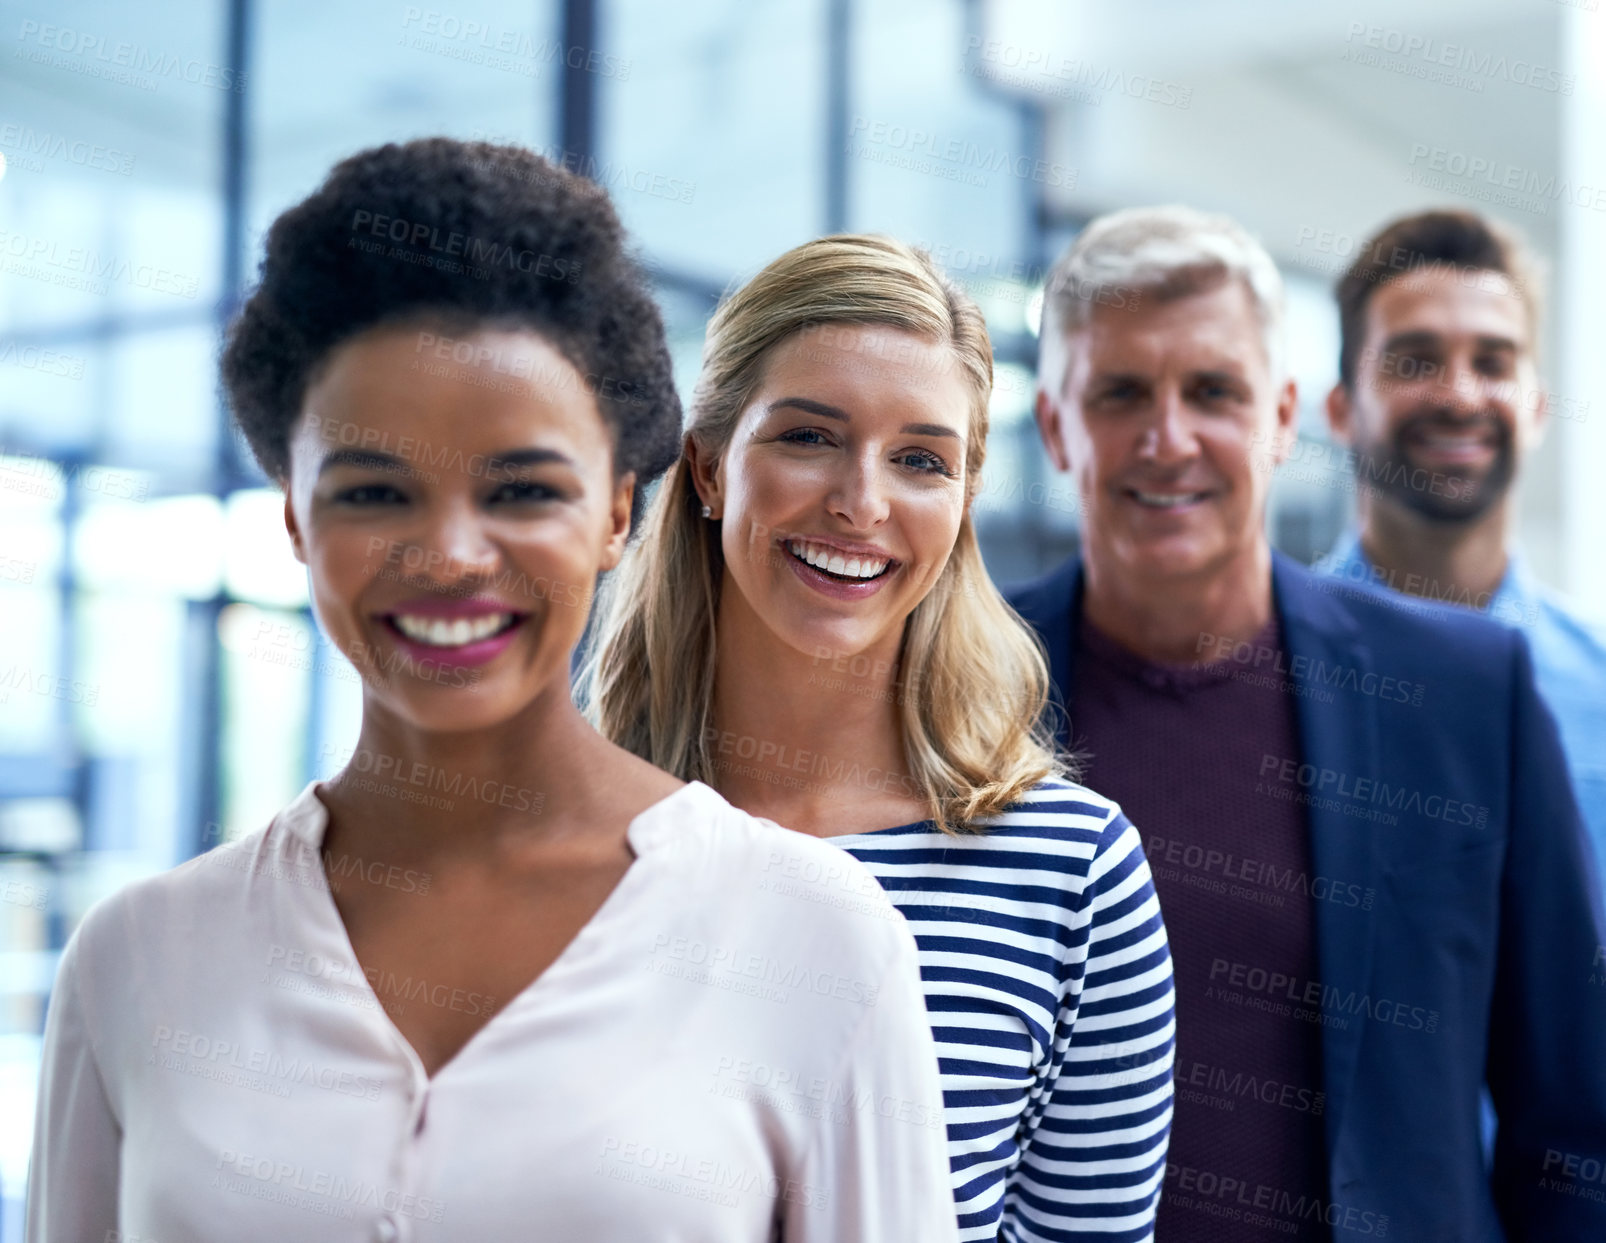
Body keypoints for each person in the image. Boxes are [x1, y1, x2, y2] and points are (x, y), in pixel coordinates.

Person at [25, 140, 958, 1243]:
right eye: (377, 490)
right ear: (294, 518)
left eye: (522, 487)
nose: (454, 554)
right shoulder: (138, 961)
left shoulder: (817, 939)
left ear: (617, 511)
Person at [1009, 204, 1606, 1240]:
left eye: (1213, 391)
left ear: (1284, 418)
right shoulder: (958, 690)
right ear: (1056, 426)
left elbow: (1573, 1121)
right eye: (1118, 393)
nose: (1169, 438)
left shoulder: (1464, 691)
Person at [584, 234, 1175, 1243]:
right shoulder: (557, 836)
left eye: (919, 459)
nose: (862, 502)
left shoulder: (1071, 872)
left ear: (961, 501)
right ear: (709, 465)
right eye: (810, 436)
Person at [1317, 208, 1606, 875]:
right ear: (1341, 408)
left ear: (1536, 409)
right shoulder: (1266, 671)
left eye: (1493, 362)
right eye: (1414, 361)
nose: (1459, 394)